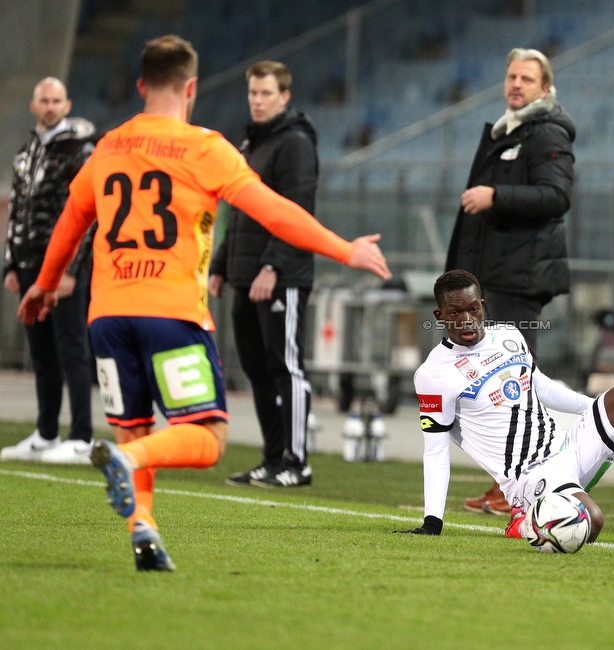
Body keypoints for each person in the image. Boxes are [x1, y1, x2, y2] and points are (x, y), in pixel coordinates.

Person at [18, 35, 390, 572]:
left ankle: (143, 528)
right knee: (208, 437)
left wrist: (45, 284)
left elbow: (71, 224)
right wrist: (344, 249)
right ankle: (128, 464)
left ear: (142, 85)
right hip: (171, 314)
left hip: (107, 315)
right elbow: (276, 213)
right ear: (191, 88)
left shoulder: (108, 148)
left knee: (134, 428)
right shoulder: (206, 147)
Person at [395, 270, 614, 545]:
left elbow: (541, 387)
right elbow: (435, 451)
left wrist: (598, 409)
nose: (467, 320)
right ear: (439, 315)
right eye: (455, 313)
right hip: (531, 475)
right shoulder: (433, 374)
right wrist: (432, 522)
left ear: (483, 305)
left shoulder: (508, 335)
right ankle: (527, 520)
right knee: (591, 524)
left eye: (473, 309)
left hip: (568, 447)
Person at [445, 48, 575, 515]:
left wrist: (496, 195)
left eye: (526, 78)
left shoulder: (547, 132)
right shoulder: (507, 131)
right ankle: (505, 484)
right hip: (492, 277)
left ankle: (529, 487)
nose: (515, 84)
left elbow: (557, 195)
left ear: (545, 88)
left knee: (513, 386)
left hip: (519, 278)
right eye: (511, 76)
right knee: (487, 387)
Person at [209, 61, 319, 488]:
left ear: (284, 96)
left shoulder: (294, 144)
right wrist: (221, 265)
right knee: (256, 370)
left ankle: (297, 461)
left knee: (286, 368)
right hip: (245, 273)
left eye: (265, 94)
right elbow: (239, 212)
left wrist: (272, 265)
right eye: (253, 93)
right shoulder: (252, 143)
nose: (257, 101)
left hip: (282, 276)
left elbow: (297, 211)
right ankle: (272, 459)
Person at [1, 77, 97, 465]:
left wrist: (72, 268)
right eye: (45, 100)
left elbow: (88, 215)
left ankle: (82, 435)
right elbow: (16, 212)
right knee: (40, 349)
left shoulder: (79, 151)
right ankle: (45, 432)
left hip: (60, 263)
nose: (51, 106)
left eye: (58, 100)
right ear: (34, 105)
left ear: (67, 104)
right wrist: (10, 262)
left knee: (72, 345)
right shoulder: (25, 153)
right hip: (27, 263)